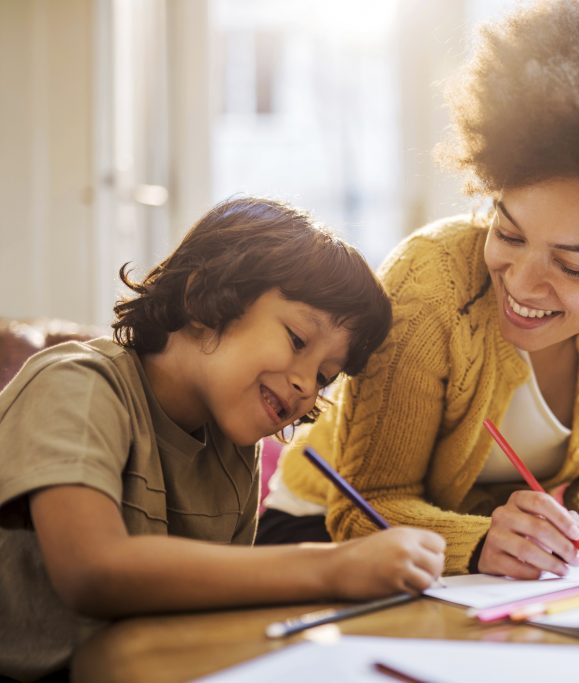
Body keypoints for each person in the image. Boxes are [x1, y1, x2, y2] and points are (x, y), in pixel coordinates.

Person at [261, 0, 579, 582]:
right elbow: (368, 506)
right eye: (508, 232)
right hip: (324, 532)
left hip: (489, 563)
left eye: (573, 265)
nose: (520, 279)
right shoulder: (430, 287)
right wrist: (482, 539)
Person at [0, 197, 445, 682]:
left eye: (324, 375)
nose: (305, 385)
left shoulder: (233, 449)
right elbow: (93, 572)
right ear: (203, 299)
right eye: (297, 340)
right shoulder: (79, 384)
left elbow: (216, 597)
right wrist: (333, 566)